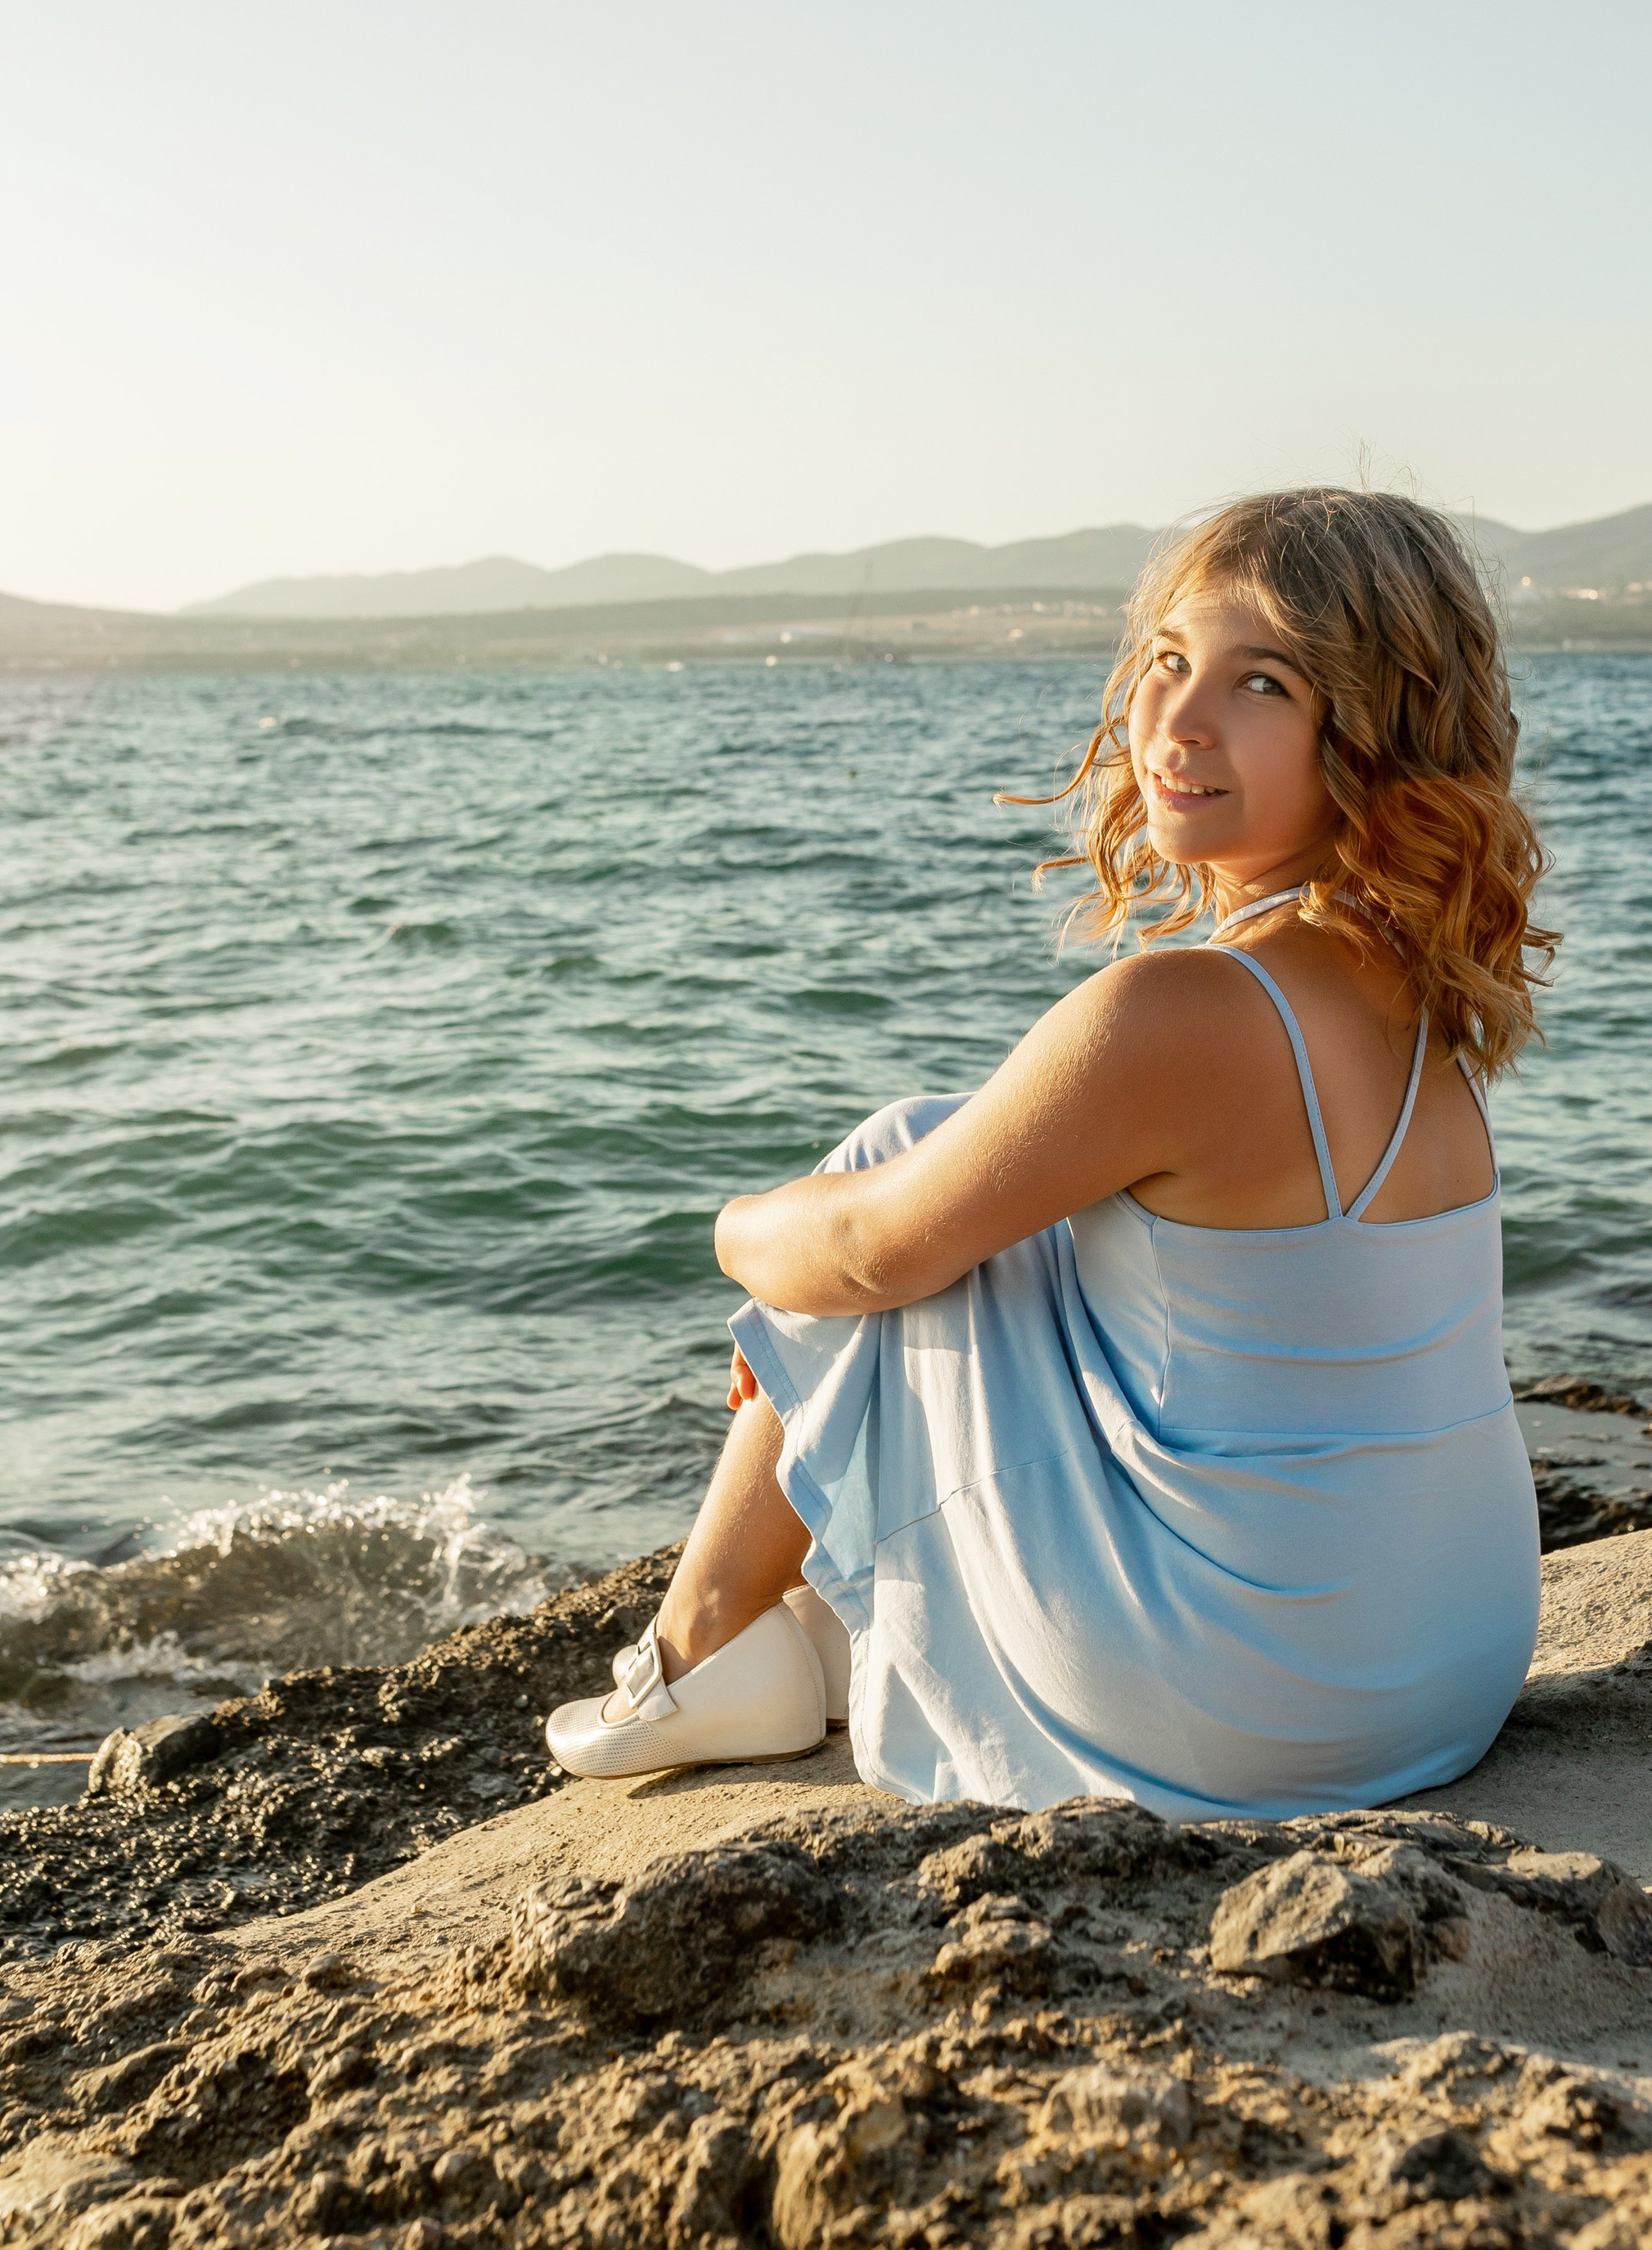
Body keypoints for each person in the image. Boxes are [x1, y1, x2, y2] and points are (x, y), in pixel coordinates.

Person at [544, 486, 1555, 1818]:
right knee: (960, 1184)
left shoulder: (1186, 1009)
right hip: (1447, 1670)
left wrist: (737, 1233)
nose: (1180, 724)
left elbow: (866, 1249)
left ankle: (697, 1651)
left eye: (1261, 683)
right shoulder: (1422, 995)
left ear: (1372, 732)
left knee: (897, 1171)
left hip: (1256, 1706)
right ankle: (774, 1634)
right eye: (1168, 663)